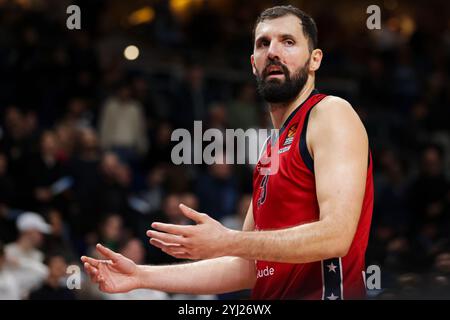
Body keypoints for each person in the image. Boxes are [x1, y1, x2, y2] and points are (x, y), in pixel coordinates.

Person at [82, 5, 373, 300]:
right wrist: (142, 275)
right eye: (263, 43)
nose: (273, 51)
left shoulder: (330, 112)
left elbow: (337, 236)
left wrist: (229, 240)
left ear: (314, 60)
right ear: (253, 63)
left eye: (288, 41)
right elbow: (246, 267)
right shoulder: (269, 153)